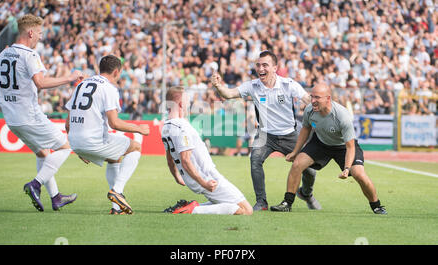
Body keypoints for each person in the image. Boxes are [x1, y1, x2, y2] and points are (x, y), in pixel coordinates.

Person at [0, 14, 84, 212]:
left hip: (12, 119)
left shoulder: (3, 54)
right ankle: (35, 184)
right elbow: (40, 83)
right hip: (29, 115)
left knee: (42, 153)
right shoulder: (30, 55)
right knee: (65, 147)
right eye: (39, 33)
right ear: (31, 32)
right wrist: (70, 78)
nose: (40, 37)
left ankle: (56, 197)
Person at [211, 50, 319, 211]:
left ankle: (306, 193)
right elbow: (229, 94)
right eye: (258, 65)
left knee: (310, 168)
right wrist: (219, 86)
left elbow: (308, 100)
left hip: (290, 135)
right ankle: (261, 202)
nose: (260, 68)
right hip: (265, 135)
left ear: (275, 68)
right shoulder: (252, 86)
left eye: (265, 65)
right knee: (255, 160)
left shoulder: (288, 85)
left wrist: (321, 107)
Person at [270, 83, 387, 214]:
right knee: (297, 164)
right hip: (321, 143)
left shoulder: (342, 116)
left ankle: (376, 206)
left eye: (317, 98)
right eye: (312, 96)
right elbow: (305, 129)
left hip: (343, 147)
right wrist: (295, 151)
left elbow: (350, 147)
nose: (313, 101)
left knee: (359, 174)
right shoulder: (309, 110)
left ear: (328, 98)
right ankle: (287, 203)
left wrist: (347, 169)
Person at [64, 55, 149, 215]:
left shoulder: (81, 85)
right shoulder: (109, 88)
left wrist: (78, 148)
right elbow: (114, 123)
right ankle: (117, 191)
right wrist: (139, 129)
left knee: (114, 157)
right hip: (92, 140)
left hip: (75, 141)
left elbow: (67, 124)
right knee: (135, 147)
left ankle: (116, 209)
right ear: (116, 72)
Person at [161, 86, 253, 215]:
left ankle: (189, 206)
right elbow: (186, 160)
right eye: (188, 101)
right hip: (207, 176)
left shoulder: (166, 127)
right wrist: (204, 183)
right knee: (246, 210)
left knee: (228, 203)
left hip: (194, 178)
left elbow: (169, 157)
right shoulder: (182, 127)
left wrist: (177, 176)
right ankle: (192, 210)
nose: (189, 105)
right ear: (181, 103)